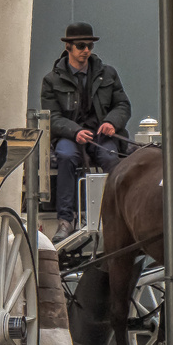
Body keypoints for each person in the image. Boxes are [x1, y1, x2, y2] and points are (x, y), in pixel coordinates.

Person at [39, 21, 131, 241]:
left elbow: (123, 105)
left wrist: (111, 122)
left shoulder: (108, 74)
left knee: (111, 159)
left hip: (101, 134)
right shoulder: (51, 80)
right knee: (66, 156)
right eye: (81, 45)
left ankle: (117, 216)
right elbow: (53, 117)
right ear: (69, 47)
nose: (86, 50)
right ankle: (65, 221)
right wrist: (75, 131)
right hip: (70, 136)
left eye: (89, 45)